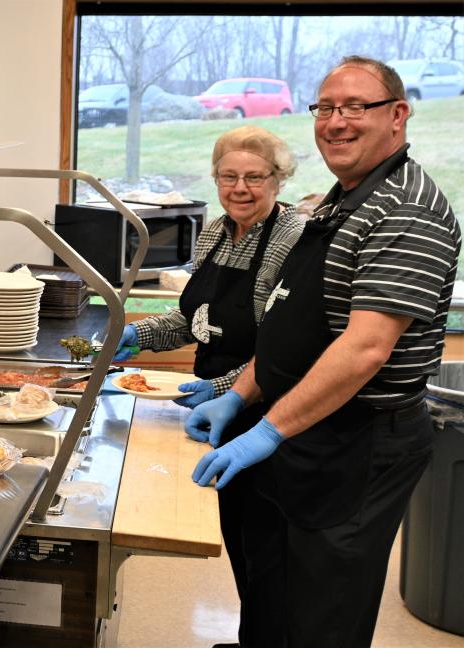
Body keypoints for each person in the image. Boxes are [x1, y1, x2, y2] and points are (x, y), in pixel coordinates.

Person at [188, 56, 460, 647]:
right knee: (272, 593)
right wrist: (239, 395)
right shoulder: (344, 199)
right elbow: (297, 327)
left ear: (398, 115)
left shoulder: (405, 208)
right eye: (327, 108)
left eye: (356, 107)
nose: (337, 122)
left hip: (356, 444)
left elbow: (364, 349)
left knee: (321, 616)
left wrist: (268, 431)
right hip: (305, 429)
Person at [117, 126, 305, 648]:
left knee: (266, 543)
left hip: (267, 405)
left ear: (278, 178)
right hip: (216, 405)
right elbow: (190, 321)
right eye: (229, 176)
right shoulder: (216, 232)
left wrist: (225, 387)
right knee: (237, 535)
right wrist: (136, 333)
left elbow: (285, 346)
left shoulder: (291, 237)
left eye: (254, 176)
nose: (240, 187)